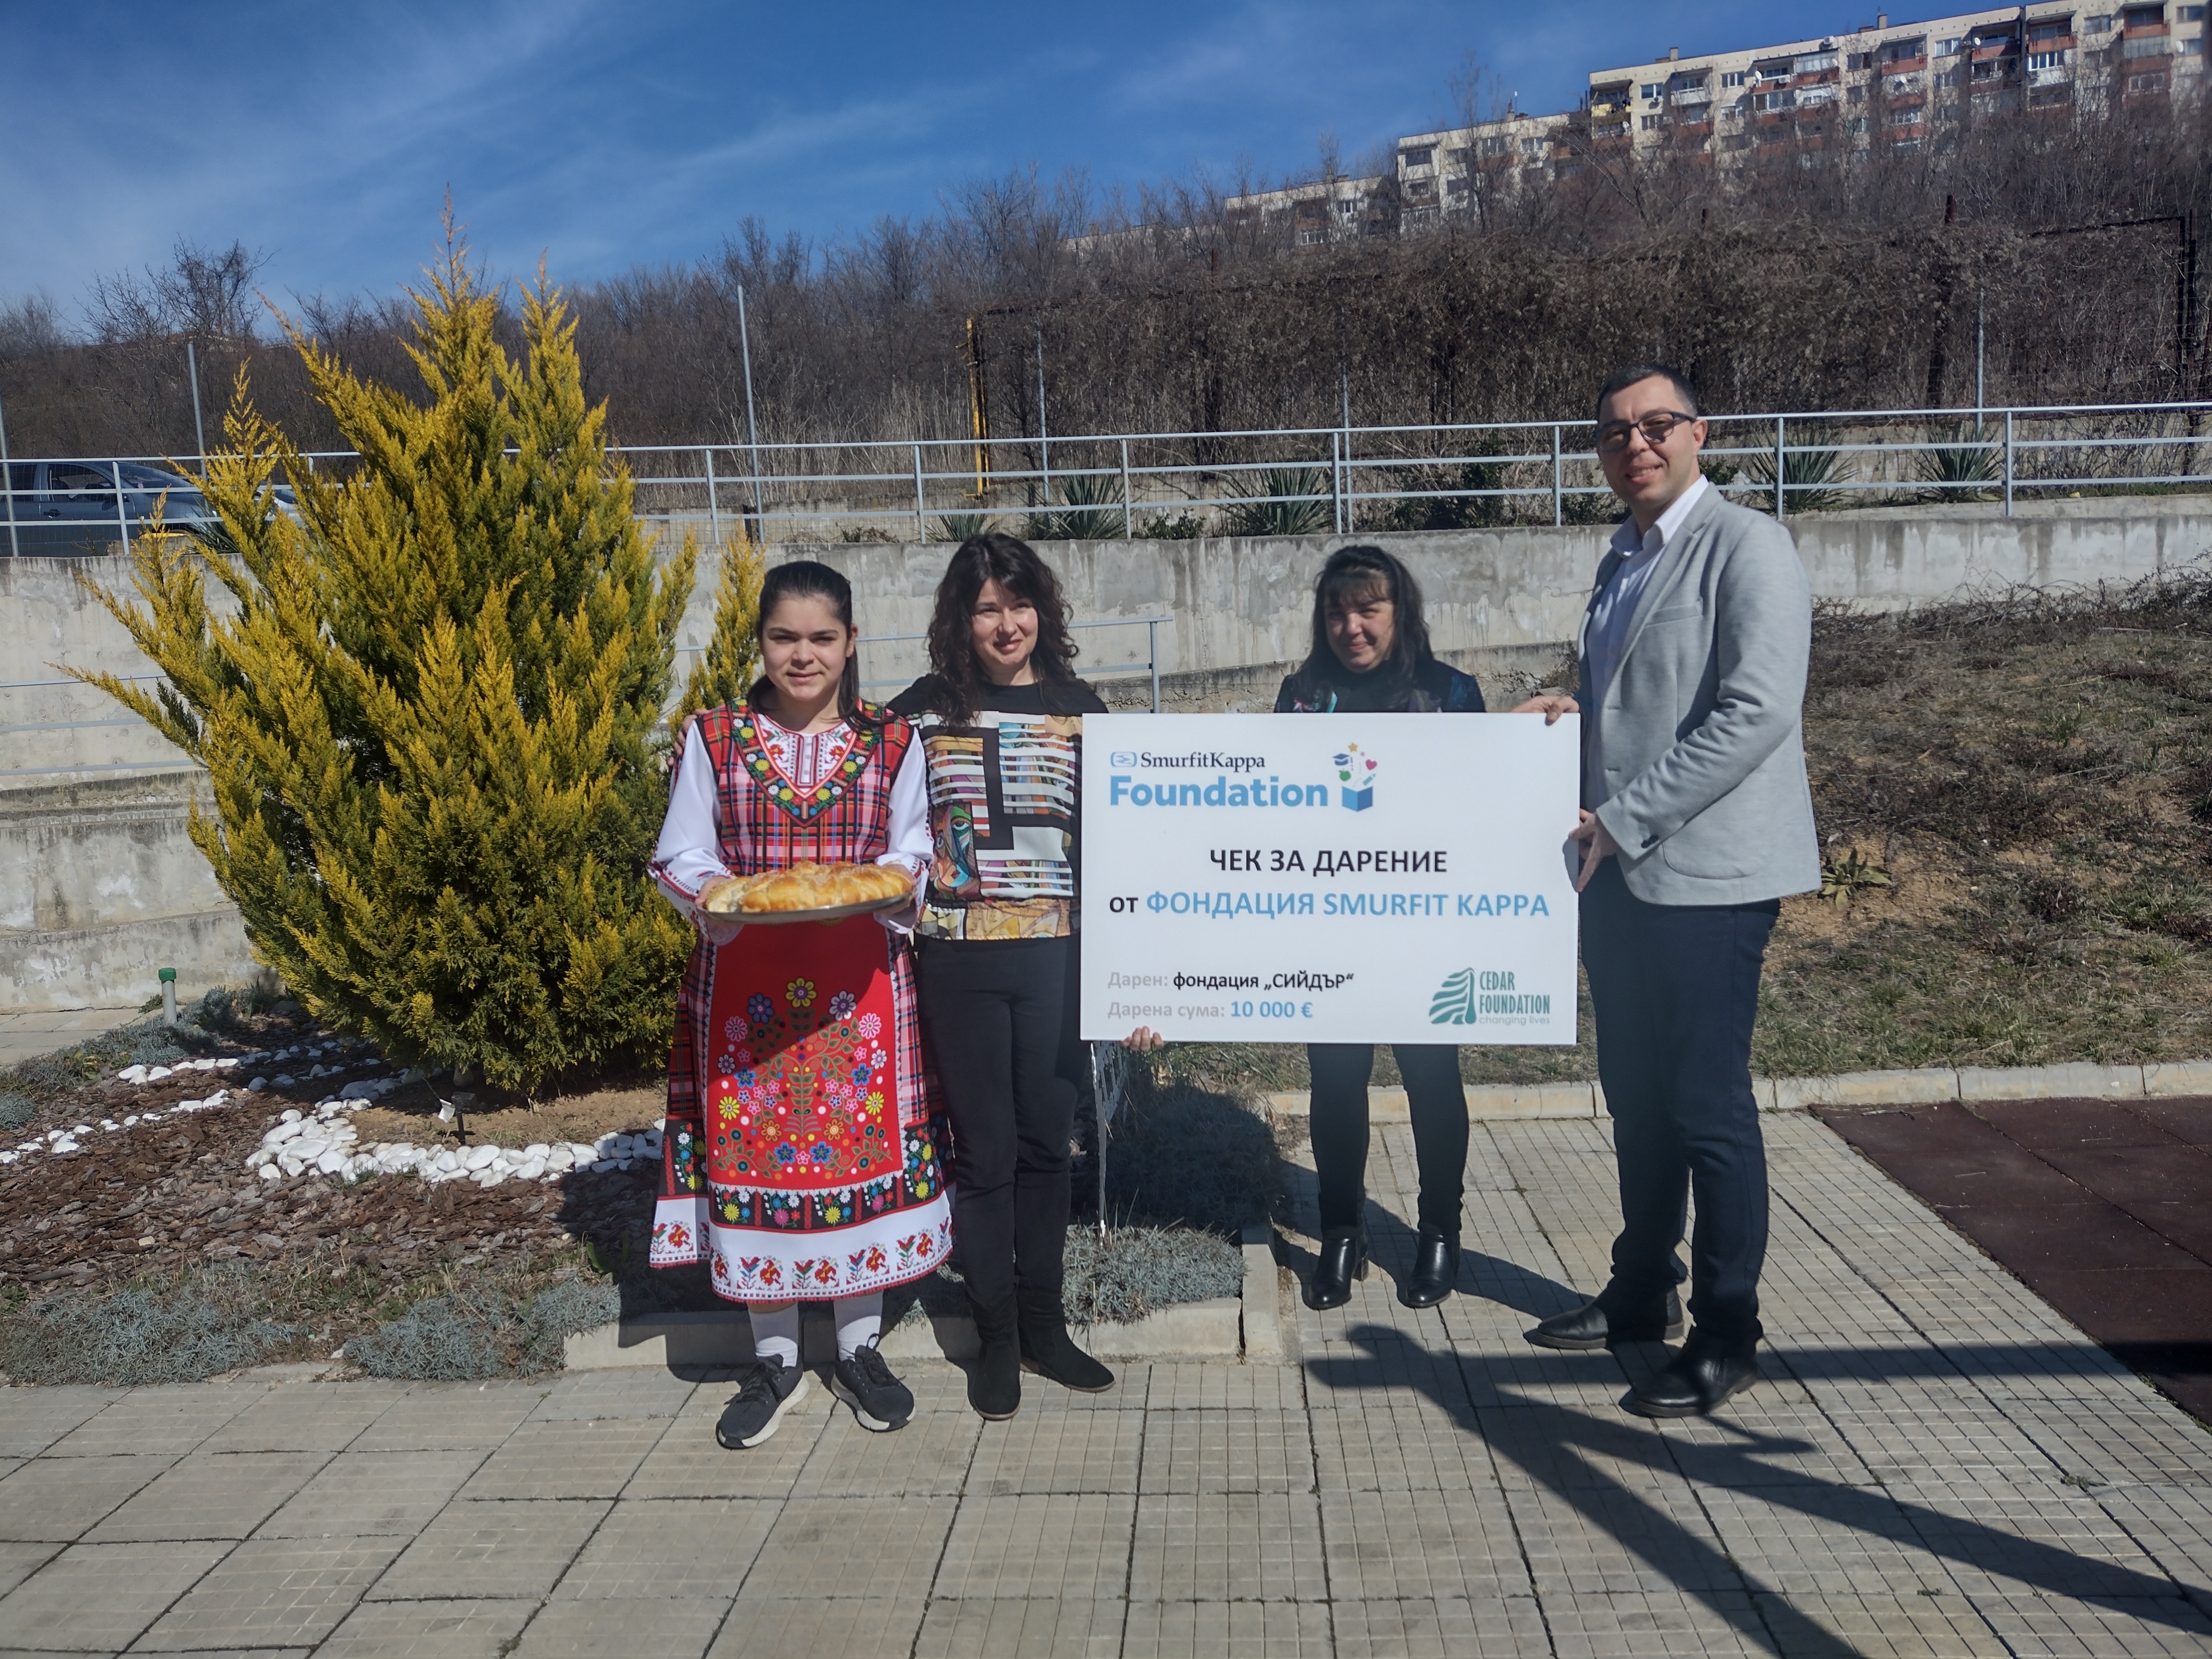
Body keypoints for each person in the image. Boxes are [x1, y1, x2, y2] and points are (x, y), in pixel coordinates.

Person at [1519, 365, 1819, 1418]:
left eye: (1656, 426)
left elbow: (1754, 712)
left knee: (1706, 1108)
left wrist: (1626, 817)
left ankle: (1728, 1333)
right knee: (1640, 1104)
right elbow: (1638, 700)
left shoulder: (1748, 543)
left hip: (1706, 874)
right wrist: (1577, 707)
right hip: (1621, 875)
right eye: (1614, 435)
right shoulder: (1623, 557)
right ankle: (1642, 1289)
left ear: (1702, 433)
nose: (1635, 445)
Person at [649, 560, 950, 1448]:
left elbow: (913, 849)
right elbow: (683, 851)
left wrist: (901, 887)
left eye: (823, 638)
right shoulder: (712, 737)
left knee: (857, 1157)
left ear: (852, 643)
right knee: (761, 1166)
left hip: (860, 989)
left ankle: (859, 1347)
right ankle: (775, 1356)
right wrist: (717, 899)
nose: (803, 655)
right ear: (761, 644)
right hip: (745, 986)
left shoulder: (895, 742)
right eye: (785, 637)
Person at [889, 534, 1117, 1419]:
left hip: (1058, 958)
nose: (1006, 623)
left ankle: (1044, 1327)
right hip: (958, 961)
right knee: (983, 1154)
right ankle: (992, 1340)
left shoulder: (1080, 708)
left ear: (1042, 612)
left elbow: (1127, 839)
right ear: (961, 619)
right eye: (986, 607)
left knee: (1045, 1148)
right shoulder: (918, 714)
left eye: (1019, 605)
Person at [1273, 545, 1491, 1312]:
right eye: (1337, 609)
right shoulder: (1301, 696)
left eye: (1368, 608)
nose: (1351, 625)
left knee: (1433, 1078)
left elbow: (1486, 813)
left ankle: (1439, 1231)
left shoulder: (1450, 694)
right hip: (1332, 931)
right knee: (1336, 1082)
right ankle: (1341, 1232)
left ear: (1402, 612)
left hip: (1423, 930)